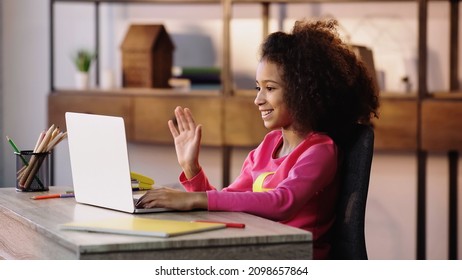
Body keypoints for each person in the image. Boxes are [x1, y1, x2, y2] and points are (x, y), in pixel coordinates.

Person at [137, 19, 379, 259]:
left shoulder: (320, 151)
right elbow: (227, 201)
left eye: (270, 88)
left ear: (305, 91)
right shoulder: (267, 147)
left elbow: (283, 202)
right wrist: (192, 169)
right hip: (259, 252)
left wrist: (192, 200)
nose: (258, 99)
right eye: (257, 88)